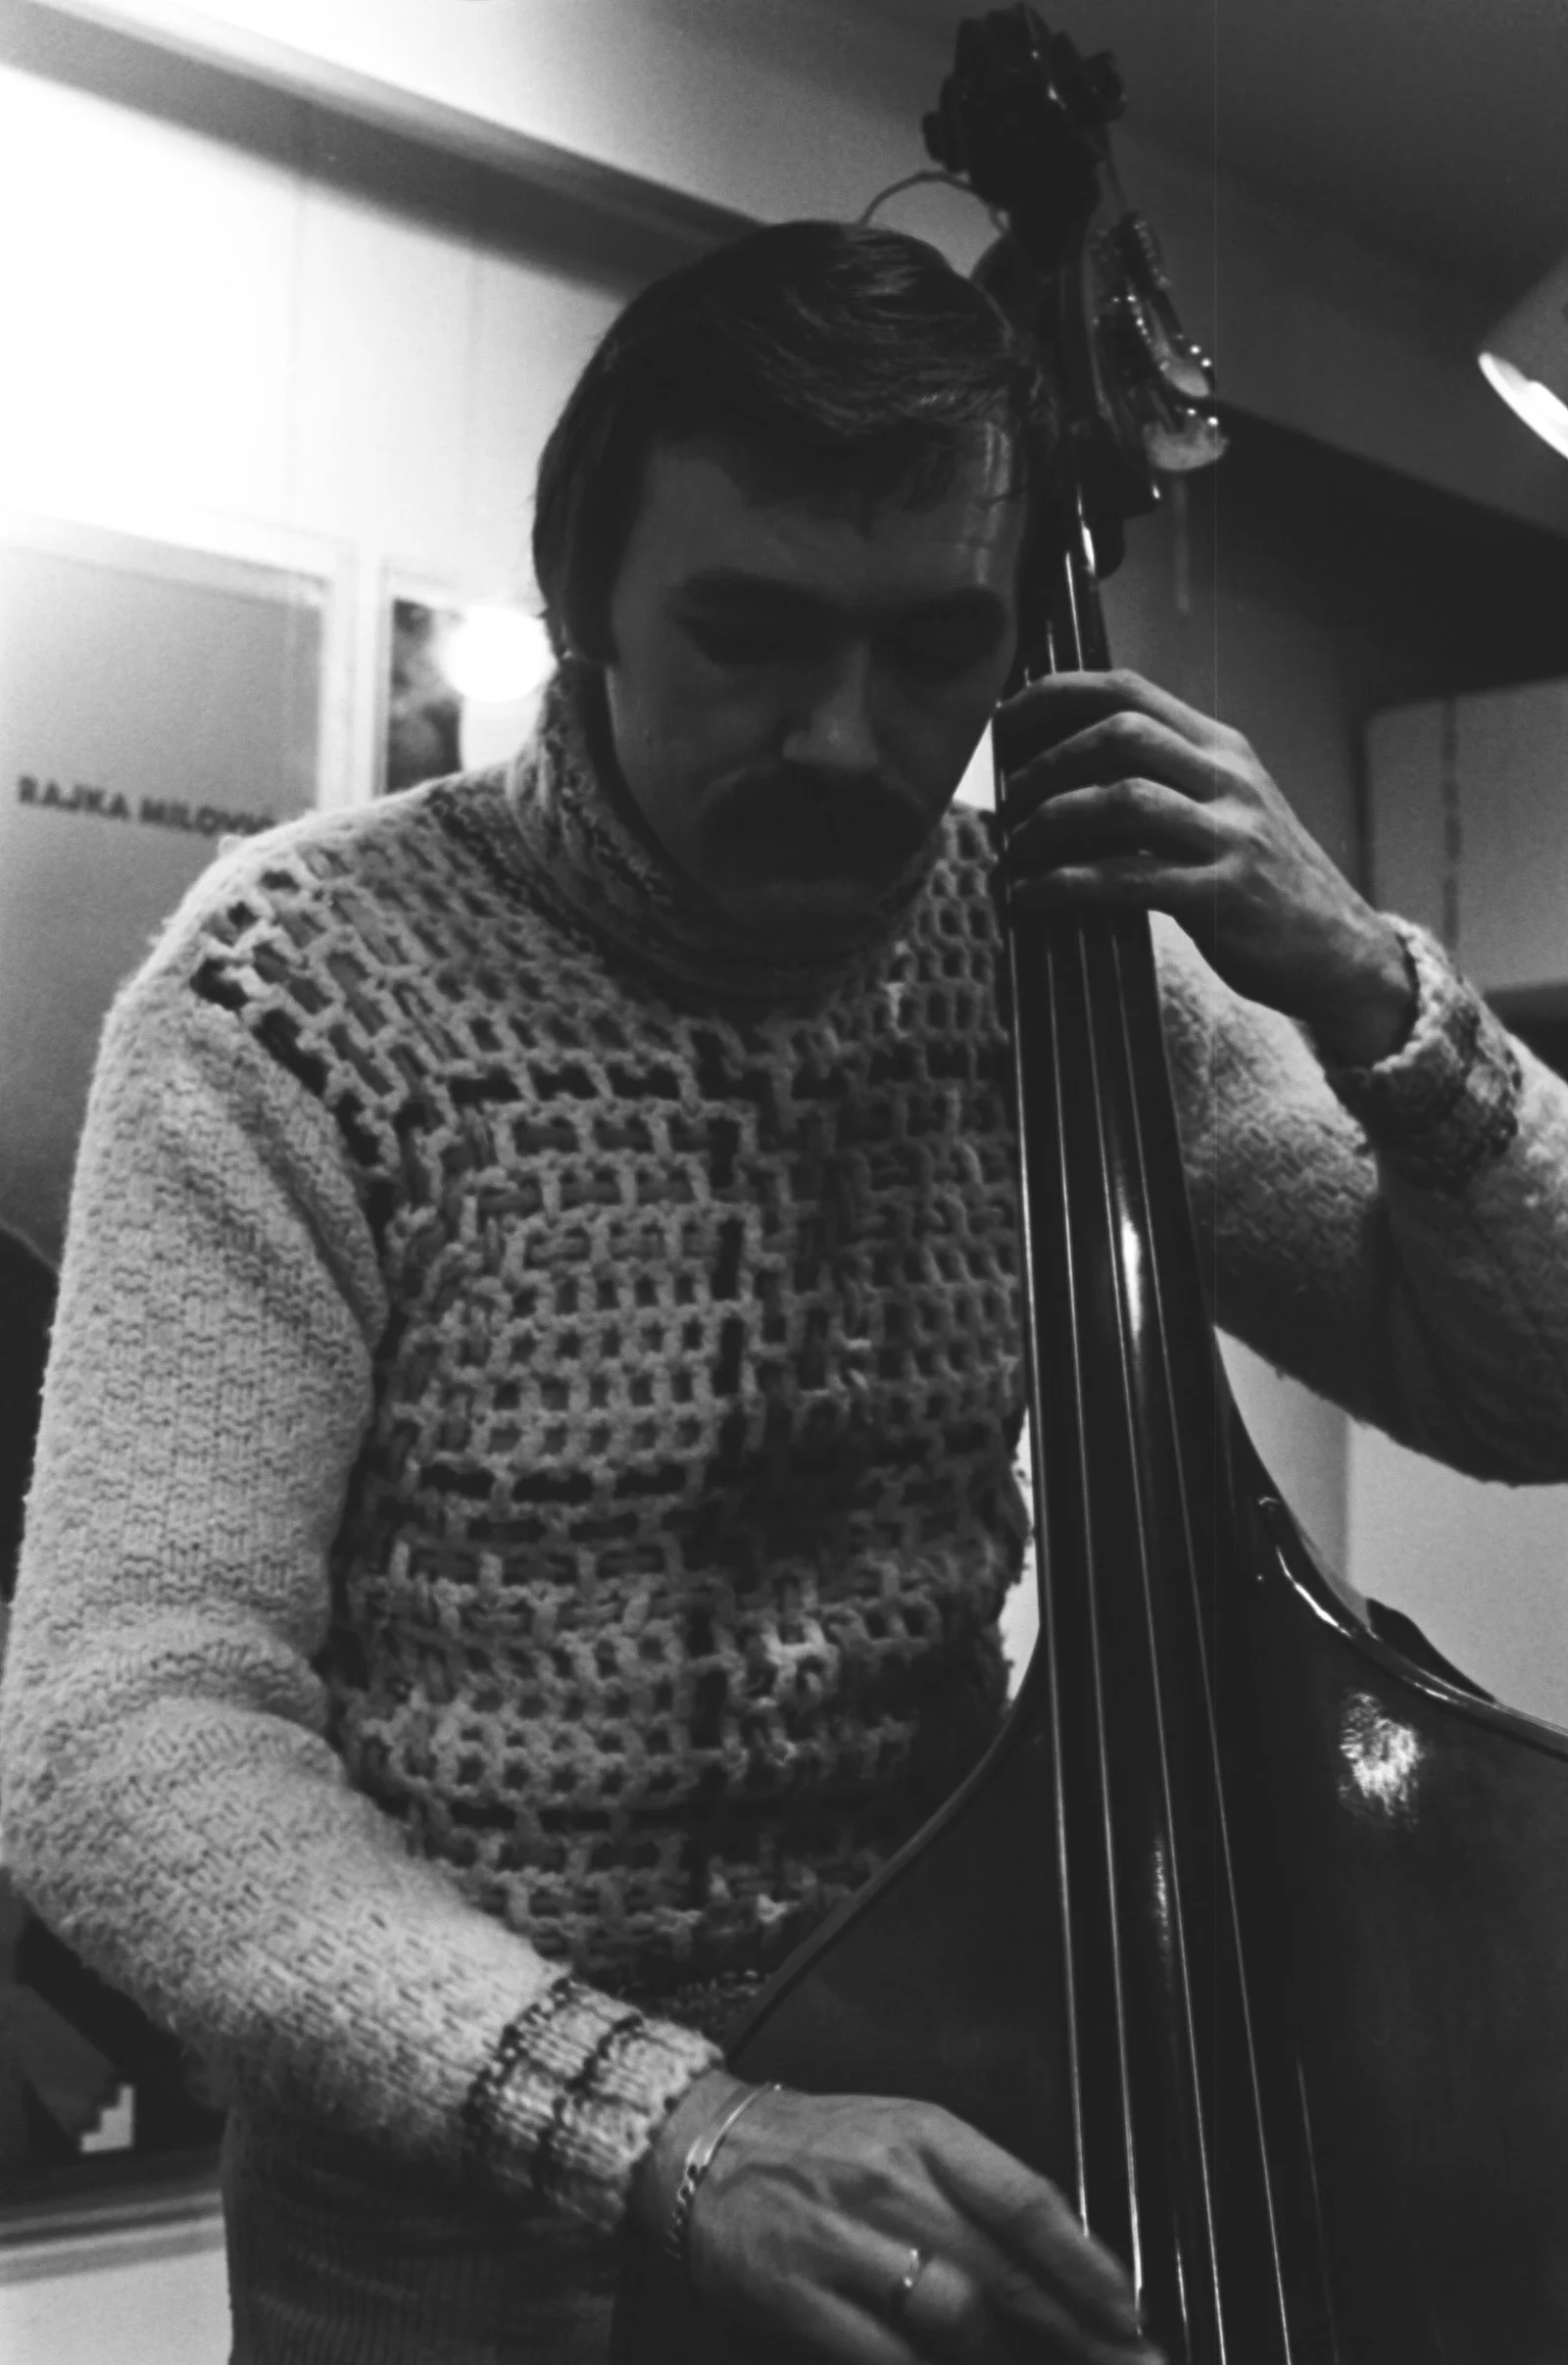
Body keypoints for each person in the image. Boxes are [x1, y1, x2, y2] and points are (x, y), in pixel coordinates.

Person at [3, 221, 1568, 2365]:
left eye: (936, 649)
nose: (846, 735)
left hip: (946, 2172)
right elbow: (125, 1732)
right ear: (583, 606)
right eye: (747, 633)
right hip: (438, 2277)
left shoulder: (1060, 962)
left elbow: (1527, 1387)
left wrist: (1374, 991)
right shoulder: (288, 994)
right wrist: (666, 2129)